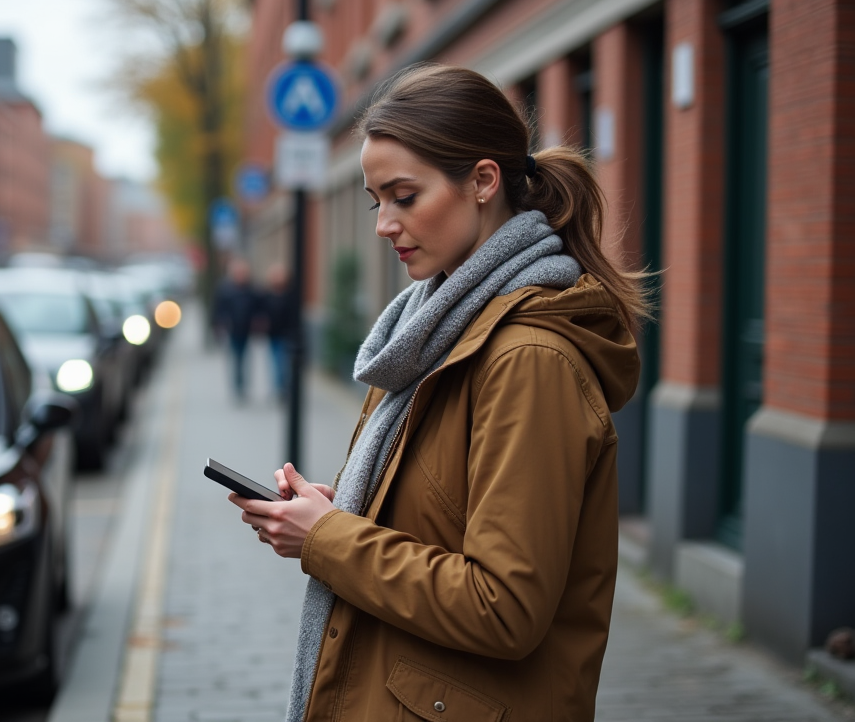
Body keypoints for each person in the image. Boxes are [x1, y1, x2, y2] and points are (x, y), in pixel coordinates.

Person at [229, 63, 646, 721]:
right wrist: (345, 512)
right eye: (375, 201)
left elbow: (504, 607)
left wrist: (330, 539)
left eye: (404, 196)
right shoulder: (435, 330)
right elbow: (449, 519)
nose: (383, 224)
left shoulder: (528, 358)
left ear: (482, 181)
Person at [212, 258, 262, 401]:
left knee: (245, 357)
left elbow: (258, 307)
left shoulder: (251, 288)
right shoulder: (225, 289)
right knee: (236, 357)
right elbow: (218, 308)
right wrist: (218, 324)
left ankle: (243, 386)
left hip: (246, 329)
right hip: (232, 328)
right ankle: (237, 387)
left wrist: (257, 321)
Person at [262, 263, 292, 401]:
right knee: (275, 362)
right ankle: (279, 388)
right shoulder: (267, 295)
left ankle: (281, 388)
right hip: (273, 334)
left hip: (286, 334)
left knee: (282, 362)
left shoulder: (289, 294)